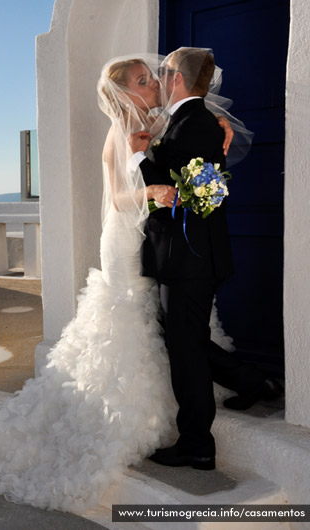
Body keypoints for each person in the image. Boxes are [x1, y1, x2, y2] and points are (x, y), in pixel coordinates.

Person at [0, 55, 187, 513]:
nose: (154, 83)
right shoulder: (120, 132)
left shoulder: (154, 125)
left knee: (150, 315)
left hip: (149, 237)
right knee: (129, 316)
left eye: (151, 76)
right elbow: (120, 198)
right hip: (124, 242)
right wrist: (152, 193)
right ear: (124, 93)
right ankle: (124, 410)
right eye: (143, 80)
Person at [128, 48, 281, 471]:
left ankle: (197, 444)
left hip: (188, 258)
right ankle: (253, 380)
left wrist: (139, 158)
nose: (158, 78)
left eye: (161, 73)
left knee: (185, 350)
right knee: (183, 337)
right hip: (192, 255)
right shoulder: (192, 122)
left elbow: (182, 198)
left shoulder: (192, 124)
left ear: (177, 78)